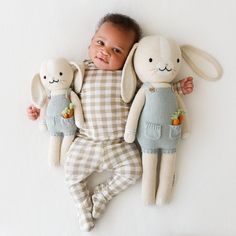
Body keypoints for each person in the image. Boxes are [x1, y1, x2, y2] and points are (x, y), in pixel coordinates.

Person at [27, 13, 193, 231]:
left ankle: (104, 194)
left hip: (119, 143)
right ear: (90, 43)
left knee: (134, 170)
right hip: (86, 141)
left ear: (129, 57)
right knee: (70, 175)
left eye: (117, 50)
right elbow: (59, 94)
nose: (105, 51)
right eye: (100, 42)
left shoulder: (129, 76)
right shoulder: (80, 72)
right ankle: (83, 206)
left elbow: (154, 91)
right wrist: (40, 109)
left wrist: (179, 88)